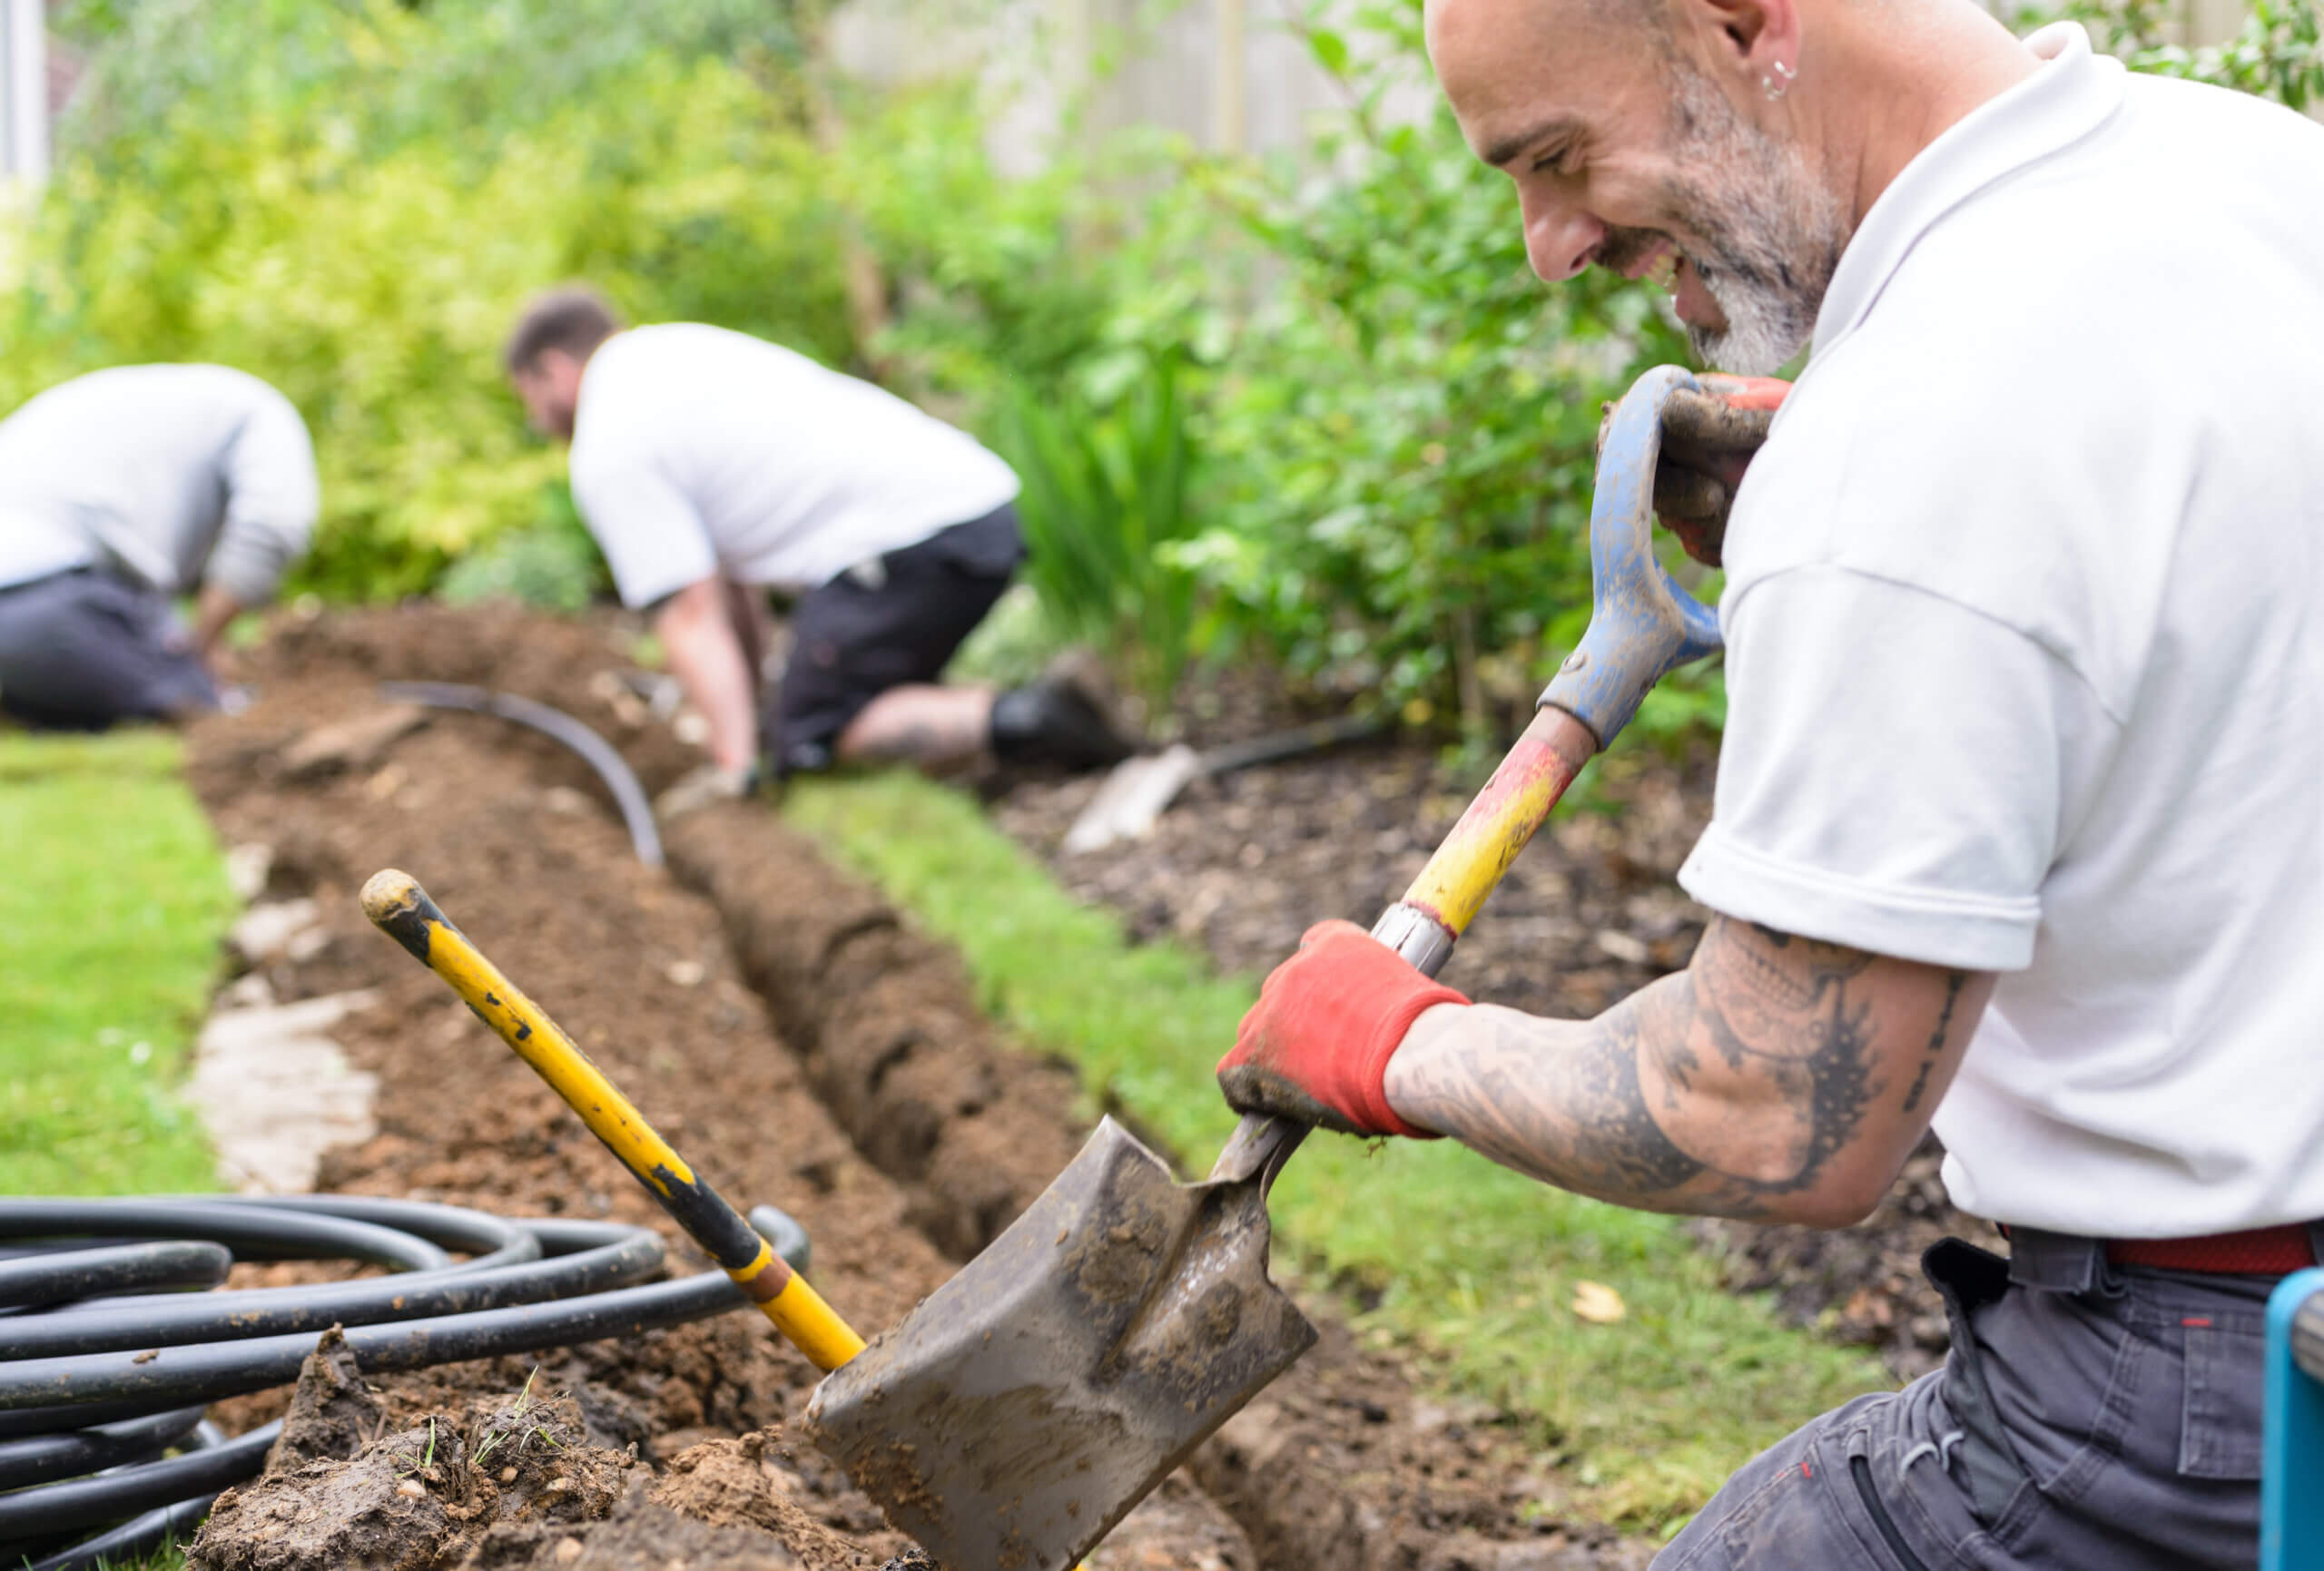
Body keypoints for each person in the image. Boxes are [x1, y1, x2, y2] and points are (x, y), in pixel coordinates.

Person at [1214, 0, 2324, 1565]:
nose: (1549, 247)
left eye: (1557, 156)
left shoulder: (1918, 443)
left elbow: (1769, 1111)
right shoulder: (2252, 172)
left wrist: (1393, 1043)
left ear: (1744, 21)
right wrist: (1903, 535)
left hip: (2214, 1406)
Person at [502, 288, 1131, 806]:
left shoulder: (610, 441)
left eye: (527, 395)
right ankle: (1011, 712)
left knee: (813, 740)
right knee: (805, 709)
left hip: (911, 541)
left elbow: (691, 614)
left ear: (552, 368)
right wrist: (749, 729)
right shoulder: (673, 351)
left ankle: (1035, 715)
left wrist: (739, 769)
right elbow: (728, 592)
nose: (535, 418)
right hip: (967, 510)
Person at [0, 365, 320, 730]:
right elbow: (272, 527)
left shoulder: (145, 408)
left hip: (33, 599)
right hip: (48, 605)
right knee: (202, 696)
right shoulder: (265, 418)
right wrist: (204, 645)